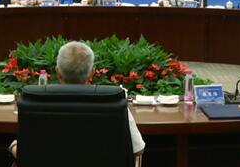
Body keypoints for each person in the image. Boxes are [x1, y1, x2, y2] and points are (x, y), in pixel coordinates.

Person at [8, 41, 144, 158]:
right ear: (91, 73)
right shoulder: (112, 101)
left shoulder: (35, 100)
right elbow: (138, 150)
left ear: (57, 72)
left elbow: (29, 154)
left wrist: (14, 146)